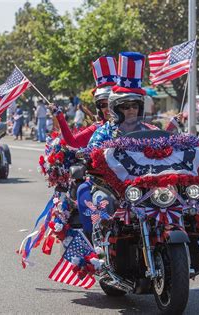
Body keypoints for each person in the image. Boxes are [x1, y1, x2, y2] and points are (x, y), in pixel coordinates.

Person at [79, 52, 154, 235]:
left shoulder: (150, 131)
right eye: (125, 107)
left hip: (145, 187)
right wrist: (87, 156)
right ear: (116, 109)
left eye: (134, 106)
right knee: (101, 201)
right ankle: (102, 246)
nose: (130, 110)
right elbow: (91, 153)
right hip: (111, 188)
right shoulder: (104, 132)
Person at [53, 56, 117, 148]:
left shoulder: (134, 127)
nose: (107, 109)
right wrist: (60, 117)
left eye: (111, 103)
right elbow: (73, 142)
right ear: (99, 108)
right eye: (103, 105)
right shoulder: (97, 128)